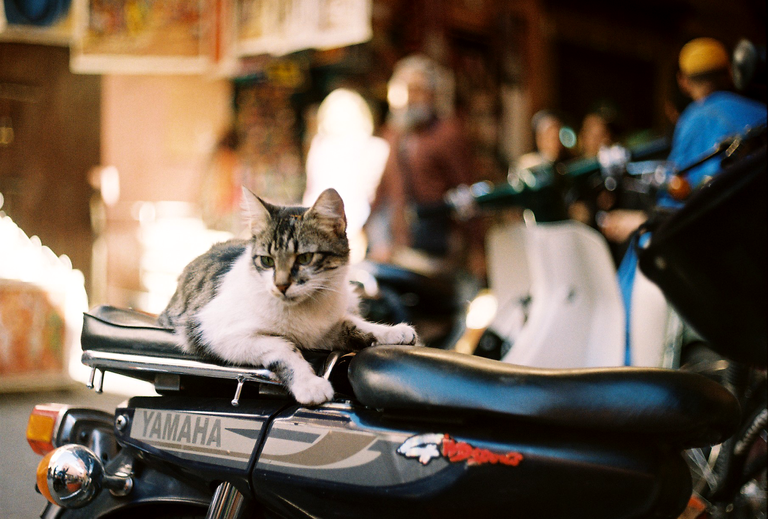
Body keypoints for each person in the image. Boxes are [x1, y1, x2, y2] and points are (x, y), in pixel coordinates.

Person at [600, 37, 767, 362]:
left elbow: (684, 202)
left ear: (683, 80)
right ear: (730, 74)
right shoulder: (760, 114)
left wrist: (635, 220)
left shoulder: (698, 118)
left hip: (710, 255)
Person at [366, 54, 485, 280]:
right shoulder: (393, 133)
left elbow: (466, 192)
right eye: (406, 89)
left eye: (419, 90)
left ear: (432, 94)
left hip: (437, 250)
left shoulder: (447, 133)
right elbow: (383, 188)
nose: (411, 98)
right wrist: (370, 233)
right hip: (398, 248)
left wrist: (478, 247)